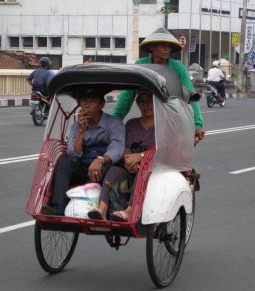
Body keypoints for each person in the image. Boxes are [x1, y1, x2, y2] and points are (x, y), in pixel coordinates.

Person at [112, 26, 205, 144]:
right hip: (148, 117)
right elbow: (126, 96)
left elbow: (191, 96)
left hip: (171, 119)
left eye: (169, 46)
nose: (167, 49)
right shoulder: (141, 65)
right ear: (152, 47)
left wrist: (197, 124)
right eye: (162, 45)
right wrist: (114, 121)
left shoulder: (178, 68)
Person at [41, 89, 125, 216]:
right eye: (84, 101)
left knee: (100, 171)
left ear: (101, 104)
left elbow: (117, 149)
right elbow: (72, 155)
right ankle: (58, 208)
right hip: (83, 166)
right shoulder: (76, 127)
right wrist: (81, 131)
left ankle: (91, 205)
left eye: (92, 101)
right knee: (63, 164)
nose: (87, 105)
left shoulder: (114, 123)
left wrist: (100, 160)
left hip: (104, 167)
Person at [88, 90, 155, 221]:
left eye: (149, 101)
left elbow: (164, 147)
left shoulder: (164, 125)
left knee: (143, 171)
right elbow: (125, 147)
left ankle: (130, 210)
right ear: (137, 104)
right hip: (130, 164)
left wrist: (141, 156)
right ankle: (102, 209)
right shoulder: (132, 124)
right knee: (114, 171)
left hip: (153, 165)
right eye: (142, 102)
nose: (145, 105)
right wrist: (128, 160)